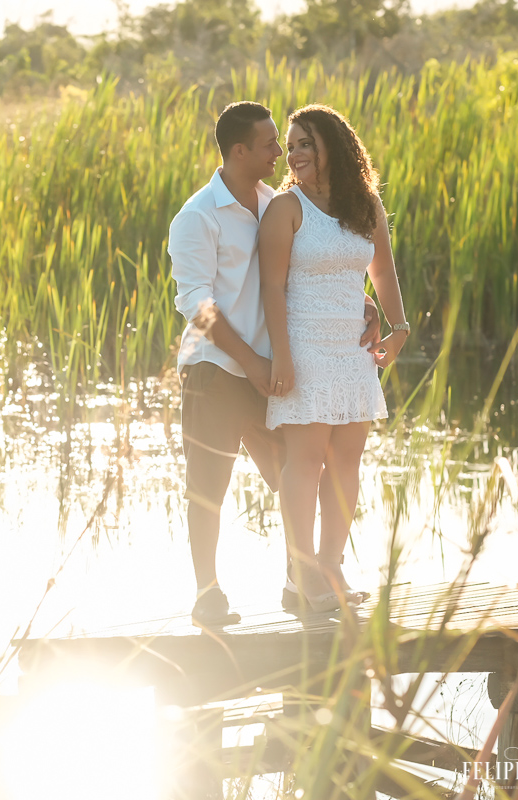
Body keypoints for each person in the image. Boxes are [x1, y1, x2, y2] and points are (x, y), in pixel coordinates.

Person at [170, 101, 380, 627]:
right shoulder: (197, 216)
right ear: (239, 151)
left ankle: (300, 580)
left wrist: (361, 303)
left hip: (274, 367)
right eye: (269, 145)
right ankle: (206, 592)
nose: (279, 153)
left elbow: (303, 270)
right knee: (209, 484)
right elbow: (197, 304)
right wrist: (251, 362)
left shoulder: (275, 202)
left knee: (299, 471)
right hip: (217, 369)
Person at [258, 104, 409, 612]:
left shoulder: (365, 205)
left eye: (306, 143)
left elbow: (382, 271)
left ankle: (329, 565)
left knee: (347, 460)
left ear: (334, 148)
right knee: (305, 460)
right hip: (303, 346)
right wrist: (282, 355)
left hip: (353, 350)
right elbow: (272, 288)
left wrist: (399, 325)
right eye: (292, 144)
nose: (295, 154)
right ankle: (300, 574)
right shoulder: (286, 207)